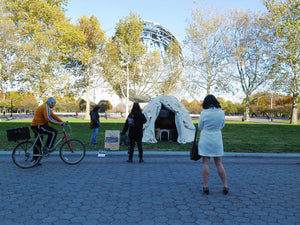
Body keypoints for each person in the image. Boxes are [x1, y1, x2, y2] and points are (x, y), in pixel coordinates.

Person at [198, 95, 229, 195]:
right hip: (217, 138)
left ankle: (206, 186)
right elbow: (222, 125)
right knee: (219, 163)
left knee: (206, 163)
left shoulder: (204, 113)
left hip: (205, 137)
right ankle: (225, 185)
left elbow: (200, 126)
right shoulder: (221, 113)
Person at [31, 97, 66, 164]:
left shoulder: (46, 107)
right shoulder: (45, 107)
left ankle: (36, 159)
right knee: (53, 132)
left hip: (36, 125)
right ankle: (47, 148)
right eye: (54, 103)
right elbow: (48, 118)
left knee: (38, 142)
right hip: (38, 125)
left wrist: (61, 121)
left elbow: (53, 115)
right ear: (51, 103)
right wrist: (59, 123)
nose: (54, 105)